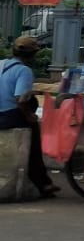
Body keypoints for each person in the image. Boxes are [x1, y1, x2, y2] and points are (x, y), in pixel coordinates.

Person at [0, 36, 55, 199]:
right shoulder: (24, 71)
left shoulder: (1, 64)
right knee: (34, 137)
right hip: (8, 116)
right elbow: (21, 100)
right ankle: (43, 183)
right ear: (32, 55)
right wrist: (30, 117)